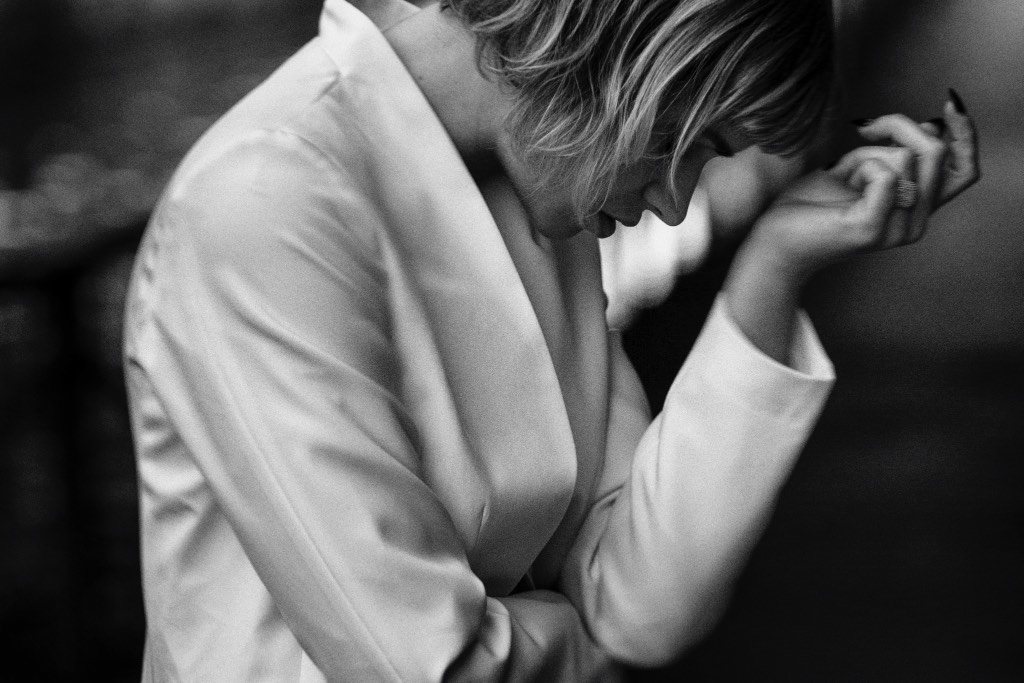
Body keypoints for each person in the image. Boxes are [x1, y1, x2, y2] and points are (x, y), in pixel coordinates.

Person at [122, 0, 980, 680]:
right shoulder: (265, 201)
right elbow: (431, 668)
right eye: (685, 143)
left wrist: (772, 266)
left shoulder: (545, 174)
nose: (674, 203)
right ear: (626, 52)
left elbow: (637, 603)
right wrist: (577, 637)